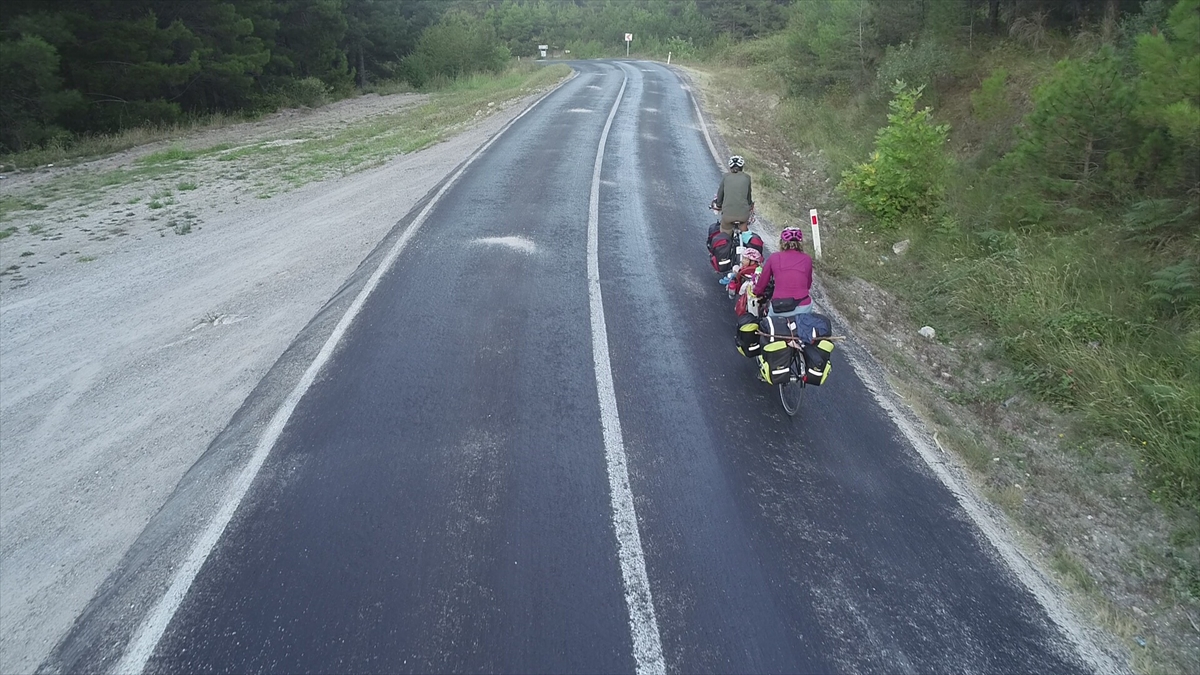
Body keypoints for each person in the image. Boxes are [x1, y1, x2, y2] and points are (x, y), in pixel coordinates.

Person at [753, 227, 813, 317]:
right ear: (800, 243)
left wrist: (757, 292)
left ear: (782, 242)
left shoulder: (774, 257)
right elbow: (808, 285)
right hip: (803, 305)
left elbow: (763, 281)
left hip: (779, 306)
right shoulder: (807, 259)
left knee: (767, 325)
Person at [712, 155, 753, 236]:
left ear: (730, 167)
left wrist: (718, 204)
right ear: (742, 167)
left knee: (724, 233)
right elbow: (748, 198)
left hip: (728, 215)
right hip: (743, 216)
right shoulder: (747, 178)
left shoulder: (726, 177)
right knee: (745, 233)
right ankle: (745, 244)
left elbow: (720, 194)